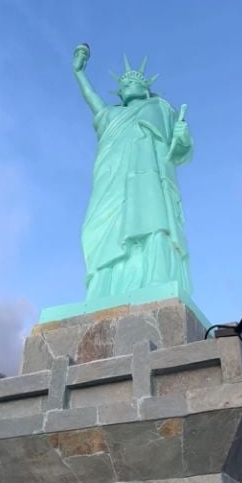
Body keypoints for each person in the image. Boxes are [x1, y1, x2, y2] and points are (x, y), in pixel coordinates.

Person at [72, 45, 193, 300]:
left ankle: (155, 275)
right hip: (112, 180)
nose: (127, 84)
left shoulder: (160, 108)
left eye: (133, 82)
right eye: (123, 84)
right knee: (99, 228)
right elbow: (91, 97)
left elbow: (179, 149)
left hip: (148, 177)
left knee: (152, 218)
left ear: (146, 86)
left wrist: (182, 137)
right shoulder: (110, 115)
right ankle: (104, 288)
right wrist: (79, 72)